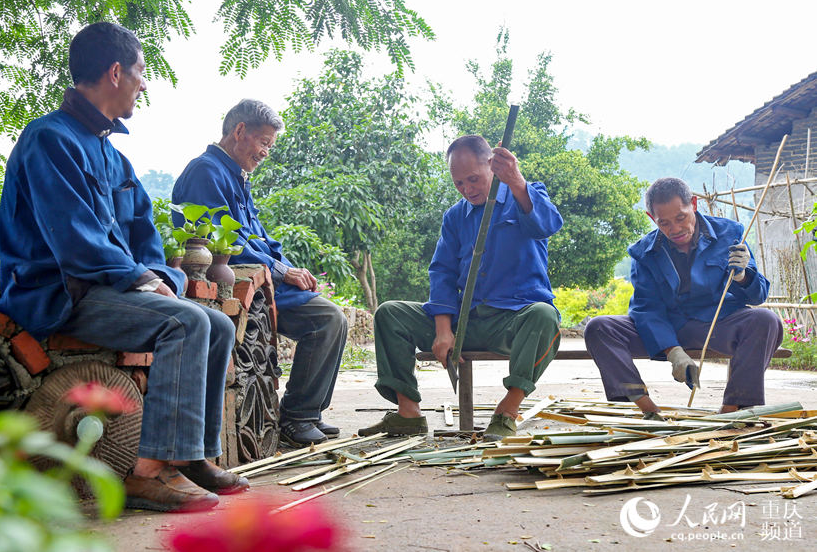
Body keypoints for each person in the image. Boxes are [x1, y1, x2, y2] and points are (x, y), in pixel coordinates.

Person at [0, 22, 246, 512]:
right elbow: (74, 242)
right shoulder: (48, 139)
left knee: (215, 324)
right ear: (115, 72)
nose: (144, 83)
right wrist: (144, 280)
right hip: (59, 294)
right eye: (141, 72)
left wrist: (161, 277)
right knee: (187, 321)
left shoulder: (116, 159)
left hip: (108, 293)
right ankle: (148, 473)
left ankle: (190, 456)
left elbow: (146, 240)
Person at [358, 135, 564, 438]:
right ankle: (408, 413)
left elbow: (548, 224)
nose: (468, 190)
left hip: (512, 321)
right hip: (464, 323)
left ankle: (507, 411)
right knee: (390, 313)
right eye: (459, 184)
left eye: (474, 179)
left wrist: (517, 181)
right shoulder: (455, 216)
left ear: (493, 167)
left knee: (545, 316)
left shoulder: (526, 194)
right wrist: (443, 330)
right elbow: (441, 271)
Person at [171, 99, 348, 447]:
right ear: (239, 132)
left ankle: (307, 414)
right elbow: (228, 244)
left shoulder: (235, 175)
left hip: (266, 281)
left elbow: (262, 239)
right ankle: (296, 418)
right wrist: (282, 272)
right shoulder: (206, 172)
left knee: (332, 318)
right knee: (328, 320)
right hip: (236, 282)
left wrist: (288, 268)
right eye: (264, 142)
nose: (266, 152)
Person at [584, 177, 782, 416]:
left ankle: (731, 411)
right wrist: (673, 352)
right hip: (666, 329)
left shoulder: (731, 233)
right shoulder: (644, 253)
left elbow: (758, 295)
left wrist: (743, 277)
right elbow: (647, 309)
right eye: (664, 223)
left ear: (694, 204)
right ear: (651, 218)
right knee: (599, 328)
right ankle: (649, 410)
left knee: (766, 321)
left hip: (718, 323)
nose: (675, 229)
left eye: (681, 218)